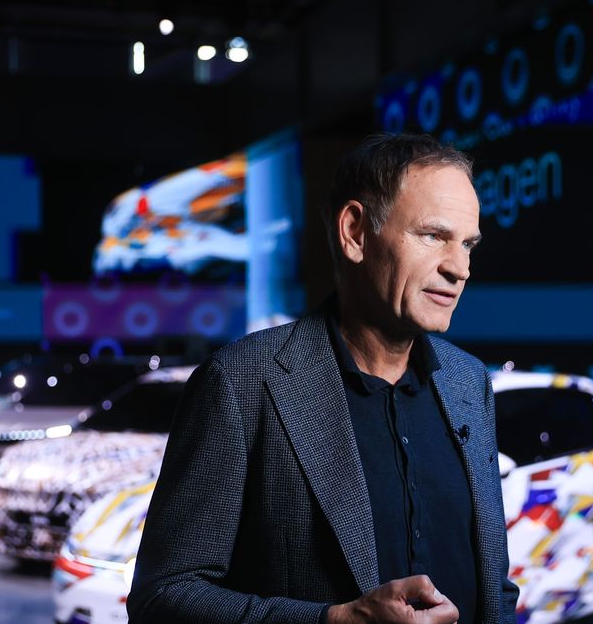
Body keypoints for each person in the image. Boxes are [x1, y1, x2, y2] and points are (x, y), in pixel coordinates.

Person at [128, 133, 517, 623]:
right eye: (433, 235)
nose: (459, 267)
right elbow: (162, 599)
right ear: (354, 232)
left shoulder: (470, 385)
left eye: (467, 244)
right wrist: (334, 621)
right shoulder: (240, 384)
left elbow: (494, 586)